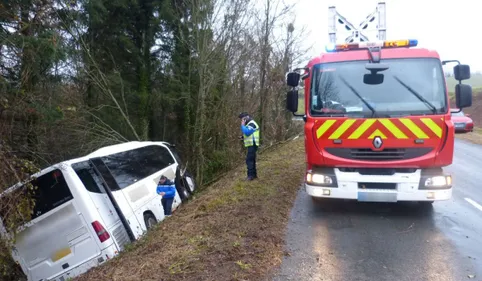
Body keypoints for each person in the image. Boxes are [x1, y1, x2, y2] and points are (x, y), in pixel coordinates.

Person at [238, 112, 260, 181]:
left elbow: (247, 132)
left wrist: (242, 125)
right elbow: (249, 134)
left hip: (253, 144)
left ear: (245, 118)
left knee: (249, 160)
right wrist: (242, 137)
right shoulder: (250, 124)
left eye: (242, 119)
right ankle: (254, 175)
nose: (241, 121)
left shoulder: (252, 123)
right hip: (252, 144)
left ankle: (250, 176)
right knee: (252, 160)